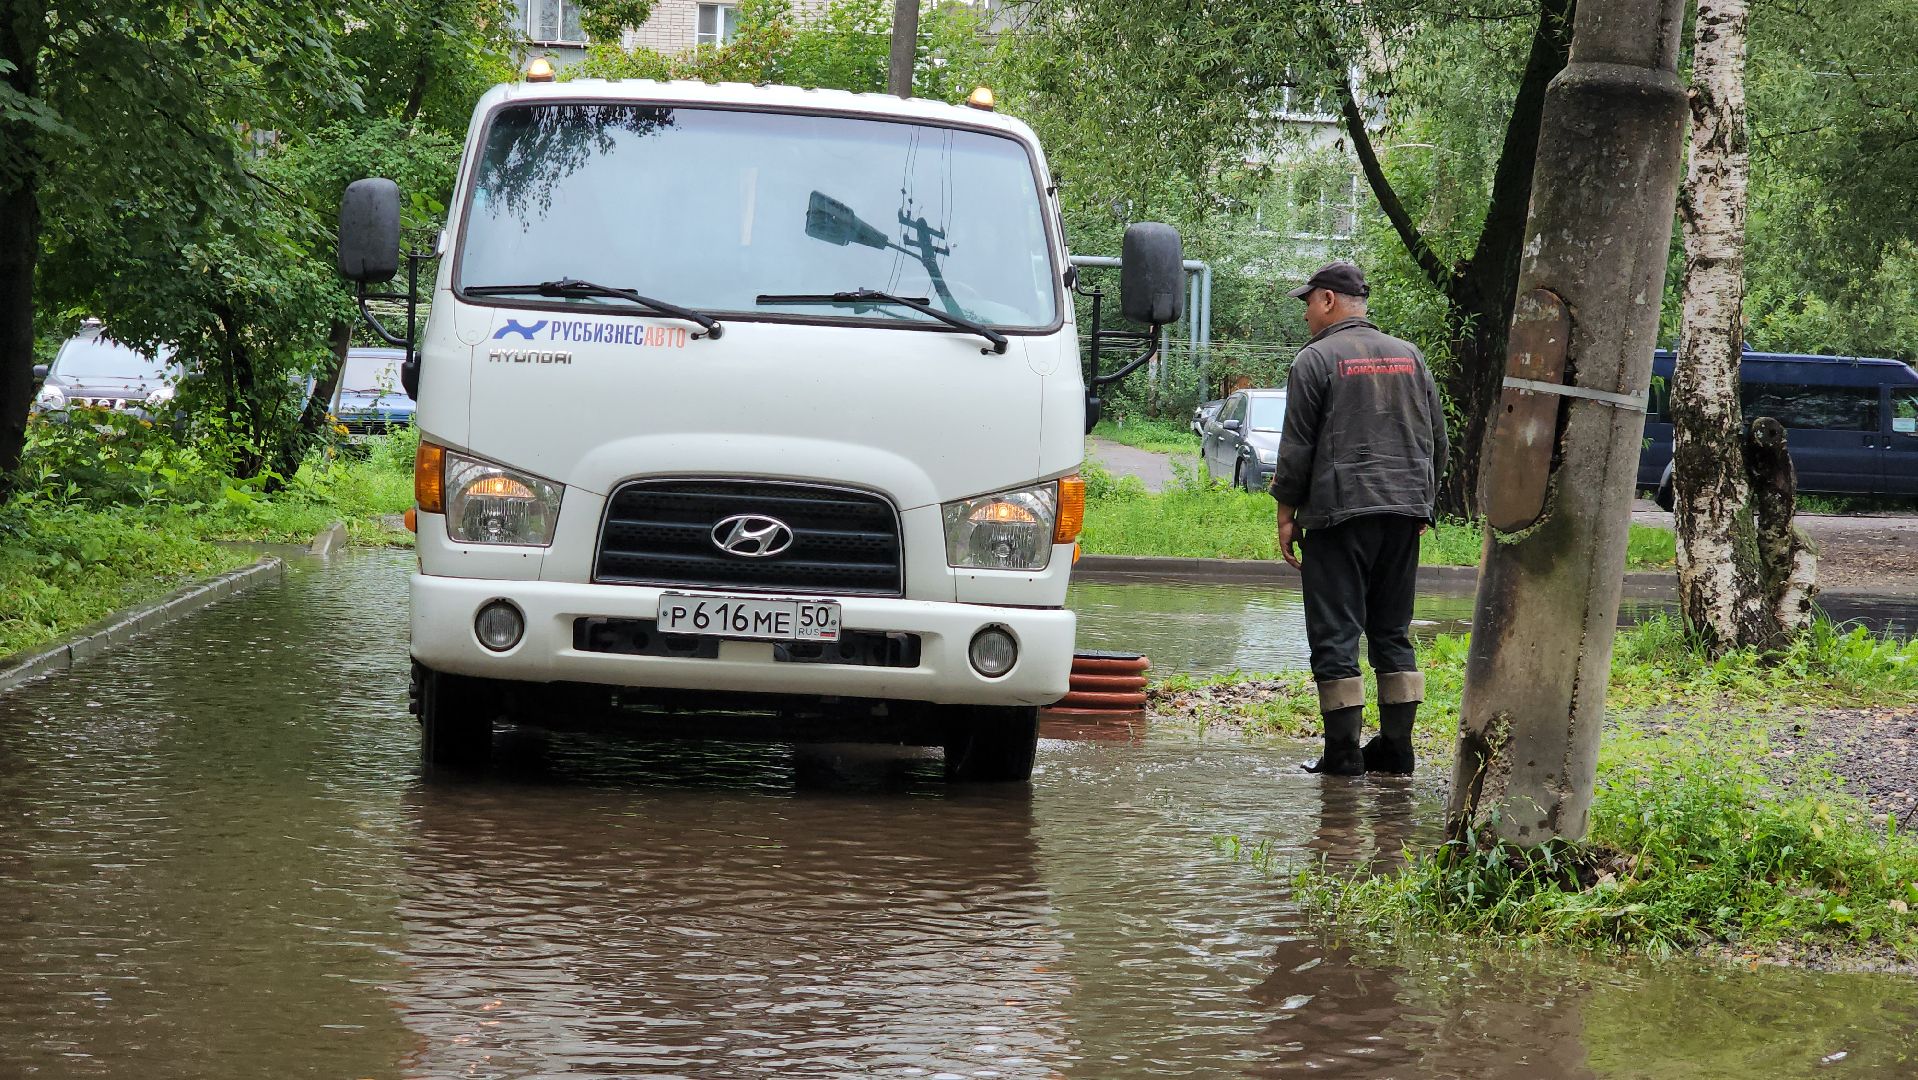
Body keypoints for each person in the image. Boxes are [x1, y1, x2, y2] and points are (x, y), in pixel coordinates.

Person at [1268, 260, 1447, 776]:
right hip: (1404, 513)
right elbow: (1439, 441)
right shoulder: (1410, 356)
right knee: (1392, 631)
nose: (1305, 315)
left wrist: (1286, 514)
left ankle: (1343, 754)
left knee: (1336, 634)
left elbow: (1297, 446)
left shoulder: (1315, 359)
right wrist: (1422, 503)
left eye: (1308, 303)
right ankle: (1396, 749)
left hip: (1338, 515)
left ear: (1328, 300)